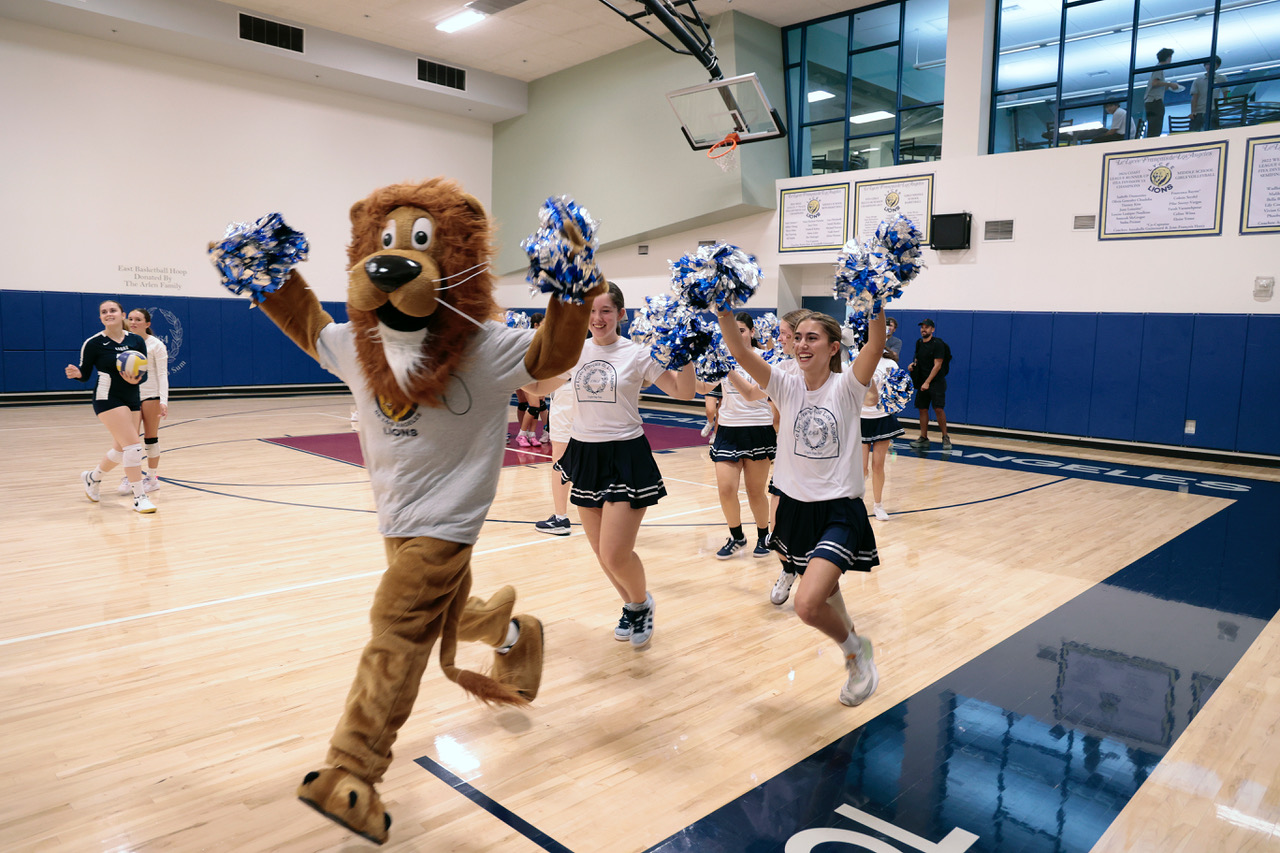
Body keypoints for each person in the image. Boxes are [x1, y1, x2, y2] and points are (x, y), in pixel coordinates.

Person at [717, 307, 884, 707]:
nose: (802, 344)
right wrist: (722, 306)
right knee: (828, 590)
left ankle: (856, 652)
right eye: (799, 338)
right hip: (794, 509)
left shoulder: (847, 386)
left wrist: (876, 300)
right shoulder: (786, 385)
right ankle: (856, 647)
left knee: (807, 605)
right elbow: (740, 352)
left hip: (839, 511)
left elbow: (875, 344)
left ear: (832, 347)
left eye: (813, 338)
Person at [530, 282, 695, 649]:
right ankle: (631, 606)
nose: (597, 318)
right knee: (599, 552)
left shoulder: (638, 354)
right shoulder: (575, 352)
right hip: (585, 454)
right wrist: (536, 346)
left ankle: (642, 602)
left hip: (625, 455)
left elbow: (684, 393)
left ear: (622, 314)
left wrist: (686, 354)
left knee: (614, 552)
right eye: (591, 311)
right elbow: (539, 388)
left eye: (606, 311)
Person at [65, 299, 157, 514]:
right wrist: (78, 374)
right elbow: (85, 373)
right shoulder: (94, 343)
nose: (108, 314)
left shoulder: (136, 340)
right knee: (133, 446)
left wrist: (137, 381)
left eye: (112, 310)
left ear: (122, 314)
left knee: (120, 449)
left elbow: (143, 374)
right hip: (107, 398)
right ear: (100, 318)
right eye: (104, 312)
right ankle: (140, 497)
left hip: (132, 397)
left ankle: (92, 477)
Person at [699, 312, 776, 560]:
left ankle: (764, 535)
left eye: (742, 330)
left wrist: (728, 369)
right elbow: (702, 388)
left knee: (755, 491)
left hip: (758, 429)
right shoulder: (722, 359)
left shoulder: (766, 358)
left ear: (752, 332)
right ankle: (737, 536)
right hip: (728, 430)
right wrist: (689, 362)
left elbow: (754, 394)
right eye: (733, 331)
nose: (737, 335)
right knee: (726, 489)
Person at [767, 308, 814, 607]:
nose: (781, 338)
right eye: (782, 333)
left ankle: (814, 580)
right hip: (786, 464)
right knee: (776, 529)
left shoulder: (828, 372)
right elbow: (753, 396)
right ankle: (788, 570)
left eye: (786, 333)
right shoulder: (781, 369)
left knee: (812, 533)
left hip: (817, 468)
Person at [113, 308, 168, 495]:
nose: (133, 322)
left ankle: (152, 479)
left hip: (151, 396)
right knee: (131, 442)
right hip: (130, 397)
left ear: (147, 323)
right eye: (130, 319)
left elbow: (162, 374)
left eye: (138, 319)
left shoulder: (156, 345)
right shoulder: (123, 344)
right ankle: (131, 478)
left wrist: (164, 400)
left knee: (151, 439)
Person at [532, 367, 576, 535]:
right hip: (593, 391)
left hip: (566, 387)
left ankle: (560, 518)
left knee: (560, 457)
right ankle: (605, 513)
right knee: (596, 452)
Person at [861, 353, 904, 521]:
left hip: (882, 417)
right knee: (861, 468)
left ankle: (878, 505)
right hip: (861, 418)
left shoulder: (890, 363)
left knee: (878, 465)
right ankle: (856, 503)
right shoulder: (859, 358)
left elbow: (898, 390)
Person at [908, 318, 951, 450]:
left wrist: (928, 382)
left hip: (936, 382)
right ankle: (923, 437)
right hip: (922, 382)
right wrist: (913, 365)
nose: (923, 329)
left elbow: (937, 365)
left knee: (938, 408)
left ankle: (945, 437)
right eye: (922, 327)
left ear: (932, 330)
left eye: (927, 327)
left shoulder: (938, 344)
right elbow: (918, 359)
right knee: (922, 408)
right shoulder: (919, 343)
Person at [1145, 48, 1182, 137]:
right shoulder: (1159, 69)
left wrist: (1168, 86)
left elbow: (1156, 85)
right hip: (1155, 101)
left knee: (1153, 127)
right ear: (1169, 58)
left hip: (1151, 101)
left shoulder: (1158, 69)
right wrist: (1169, 84)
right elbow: (1155, 83)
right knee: (1155, 127)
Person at [1190, 56, 1222, 132]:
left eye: (1212, 64)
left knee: (1213, 132)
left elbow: (1227, 93)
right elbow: (1194, 98)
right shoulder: (1198, 81)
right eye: (1207, 64)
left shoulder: (1221, 78)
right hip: (1199, 112)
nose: (1209, 66)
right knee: (1195, 133)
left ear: (1217, 66)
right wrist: (1193, 112)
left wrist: (1226, 103)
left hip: (1213, 110)